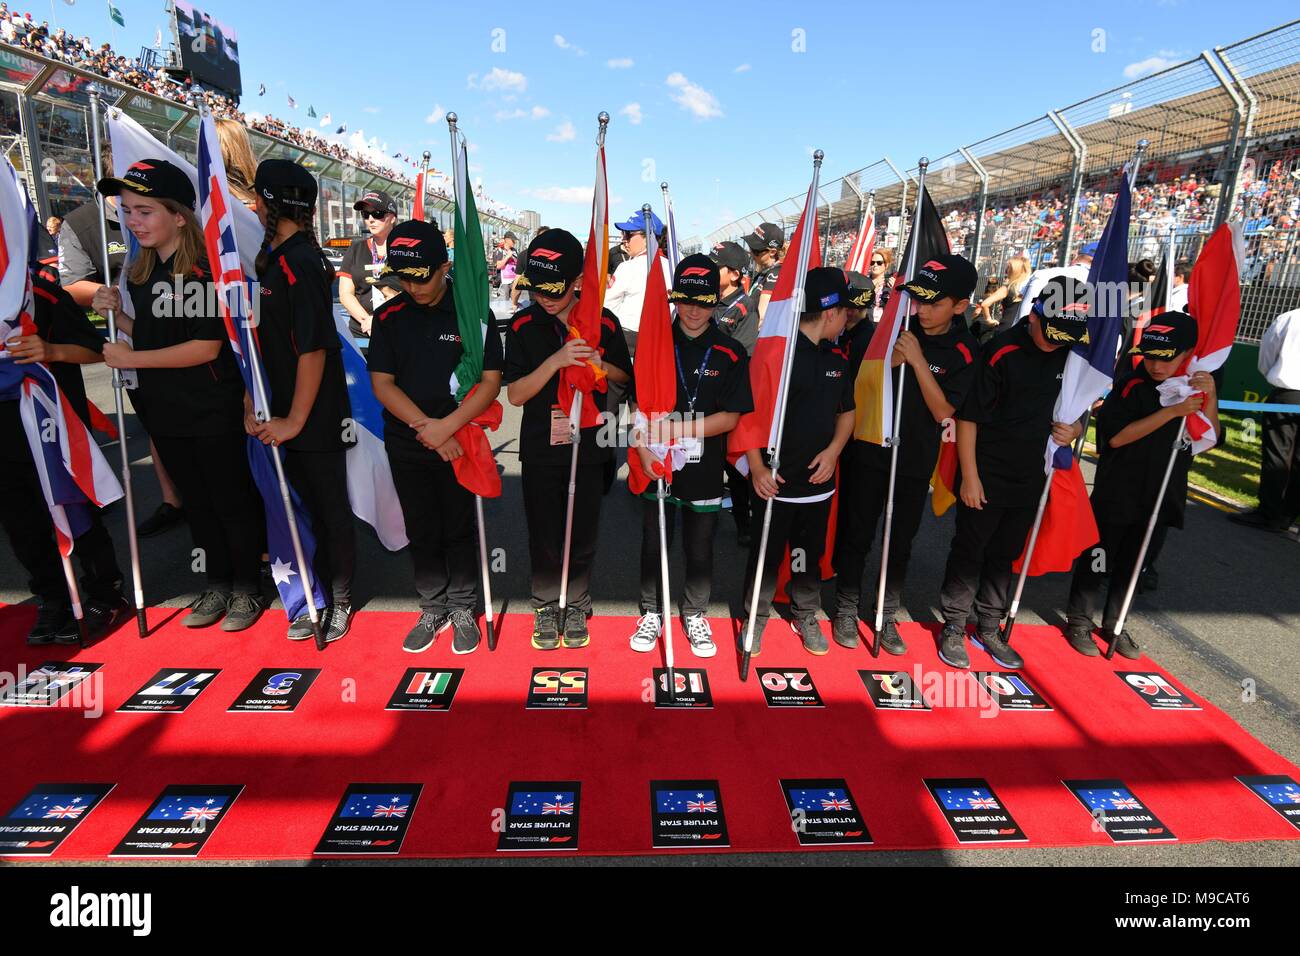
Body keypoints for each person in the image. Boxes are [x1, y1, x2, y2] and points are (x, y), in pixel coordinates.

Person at [90, 159, 265, 631]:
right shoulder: (144, 271)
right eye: (127, 211)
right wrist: (119, 318)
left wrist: (131, 359)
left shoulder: (203, 271)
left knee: (230, 500)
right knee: (196, 502)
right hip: (167, 410)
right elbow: (155, 337)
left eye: (144, 211)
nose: (133, 221)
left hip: (211, 408)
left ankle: (249, 587)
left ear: (179, 215)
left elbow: (204, 346)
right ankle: (216, 582)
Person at [936, 276, 1090, 670]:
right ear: (1035, 313)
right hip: (986, 470)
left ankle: (989, 625)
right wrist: (970, 477)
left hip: (1032, 475)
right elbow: (969, 419)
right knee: (971, 549)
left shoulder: (1072, 354)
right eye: (1051, 332)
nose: (1056, 342)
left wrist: (1073, 431)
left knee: (1005, 554)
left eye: (1065, 336)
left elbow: (1079, 408)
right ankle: (953, 625)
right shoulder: (1001, 349)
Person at [367, 219, 504, 654]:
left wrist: (447, 428)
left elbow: (489, 381)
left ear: (445, 267)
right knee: (421, 528)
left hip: (460, 438)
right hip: (409, 441)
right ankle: (432, 605)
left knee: (458, 528)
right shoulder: (388, 316)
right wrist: (428, 430)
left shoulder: (473, 314)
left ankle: (463, 606)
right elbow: (383, 384)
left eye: (422, 275)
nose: (413, 286)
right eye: (403, 277)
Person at [833, 254, 979, 654]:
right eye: (920, 300)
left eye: (934, 303)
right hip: (869, 447)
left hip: (914, 456)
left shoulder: (965, 350)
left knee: (899, 541)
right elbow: (856, 383)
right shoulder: (893, 327)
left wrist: (916, 362)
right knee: (856, 533)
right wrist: (886, 361)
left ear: (960, 305)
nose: (923, 309)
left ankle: (885, 614)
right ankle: (846, 608)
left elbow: (943, 411)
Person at [505, 230, 631, 649]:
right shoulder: (522, 324)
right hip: (542, 446)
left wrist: (601, 364)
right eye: (537, 288)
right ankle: (544, 604)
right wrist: (556, 361)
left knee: (582, 531)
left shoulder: (604, 323)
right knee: (543, 531)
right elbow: (517, 393)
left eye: (555, 289)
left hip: (592, 446)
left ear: (578, 279)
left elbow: (625, 379)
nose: (545, 297)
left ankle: (576, 601)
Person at [1064, 311, 1218, 657]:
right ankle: (1079, 620)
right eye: (1150, 356)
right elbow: (1116, 439)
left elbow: (1211, 435)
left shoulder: (1191, 386)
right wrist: (1170, 412)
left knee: (1136, 563)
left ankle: (1115, 623)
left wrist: (1210, 400)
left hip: (1163, 490)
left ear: (1188, 354)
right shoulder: (1131, 385)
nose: (1156, 365)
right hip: (1120, 489)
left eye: (1167, 358)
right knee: (1099, 557)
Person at [250, 159, 357, 642]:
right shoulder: (276, 256)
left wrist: (294, 419)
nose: (251, 205)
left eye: (256, 197)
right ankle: (312, 595)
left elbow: (314, 347)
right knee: (296, 505)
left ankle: (341, 599)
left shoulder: (300, 262)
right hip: (280, 405)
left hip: (313, 413)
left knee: (327, 506)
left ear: (270, 203)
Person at [628, 254, 753, 658]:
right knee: (653, 542)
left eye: (703, 301)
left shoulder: (731, 351)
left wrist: (678, 430)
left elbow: (732, 417)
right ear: (674, 300)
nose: (693, 310)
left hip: (704, 466)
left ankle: (694, 613)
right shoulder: (654, 345)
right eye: (685, 300)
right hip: (657, 463)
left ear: (717, 301)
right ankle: (651, 611)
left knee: (700, 546)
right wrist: (644, 447)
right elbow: (634, 408)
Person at [3, 258, 127, 644]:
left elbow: (95, 350)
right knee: (22, 526)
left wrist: (51, 351)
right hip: (5, 441)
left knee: (78, 513)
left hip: (54, 432)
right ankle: (52, 598)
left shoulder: (40, 294)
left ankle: (104, 592)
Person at [738, 267, 855, 656]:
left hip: (818, 485)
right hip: (774, 482)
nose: (848, 319)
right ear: (830, 312)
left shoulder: (838, 356)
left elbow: (847, 412)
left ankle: (806, 613)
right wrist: (755, 467)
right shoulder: (777, 355)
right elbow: (749, 416)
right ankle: (755, 617)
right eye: (845, 312)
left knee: (807, 556)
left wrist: (834, 450)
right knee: (766, 556)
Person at [1230, 308, 1300, 533]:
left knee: (1277, 453)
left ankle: (1269, 512)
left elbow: (1267, 353)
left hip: (1288, 393)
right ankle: (1288, 513)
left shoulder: (1289, 318)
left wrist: (1274, 373)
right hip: (1287, 392)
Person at [604, 209, 671, 420]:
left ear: (647, 237)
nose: (624, 240)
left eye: (629, 235)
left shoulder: (628, 267)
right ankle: (643, 448)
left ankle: (607, 450)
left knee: (611, 405)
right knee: (644, 405)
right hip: (659, 343)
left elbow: (606, 307)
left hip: (625, 342)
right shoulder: (672, 267)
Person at [711, 239, 756, 545]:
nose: (712, 272)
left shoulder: (744, 306)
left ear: (735, 274)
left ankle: (744, 524)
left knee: (736, 470)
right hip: (704, 400)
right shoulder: (707, 301)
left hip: (728, 402)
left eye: (717, 268)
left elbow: (743, 356)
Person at [338, 190, 400, 336]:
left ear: (392, 217)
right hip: (362, 331)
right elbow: (345, 293)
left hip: (396, 330)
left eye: (377, 214)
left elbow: (411, 292)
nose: (370, 219)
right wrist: (367, 321)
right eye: (366, 215)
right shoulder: (356, 248)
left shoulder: (405, 249)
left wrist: (378, 320)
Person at [1016, 242, 1096, 321]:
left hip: (1028, 329)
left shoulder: (1043, 273)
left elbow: (1023, 310)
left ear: (1075, 257)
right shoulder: (1099, 287)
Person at [972, 255, 1030, 340]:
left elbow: (985, 304)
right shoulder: (1029, 288)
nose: (1006, 270)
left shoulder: (1007, 288)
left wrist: (989, 320)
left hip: (1006, 328)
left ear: (1014, 270)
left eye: (1009, 267)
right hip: (1022, 329)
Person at [742, 222, 784, 326]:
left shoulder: (776, 273)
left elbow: (761, 317)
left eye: (756, 250)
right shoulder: (764, 272)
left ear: (772, 252)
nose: (751, 253)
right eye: (751, 247)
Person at [867, 247, 894, 324]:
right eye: (872, 263)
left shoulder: (891, 283)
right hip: (868, 324)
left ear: (886, 265)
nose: (875, 265)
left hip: (885, 325)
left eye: (879, 263)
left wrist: (895, 290)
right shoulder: (864, 282)